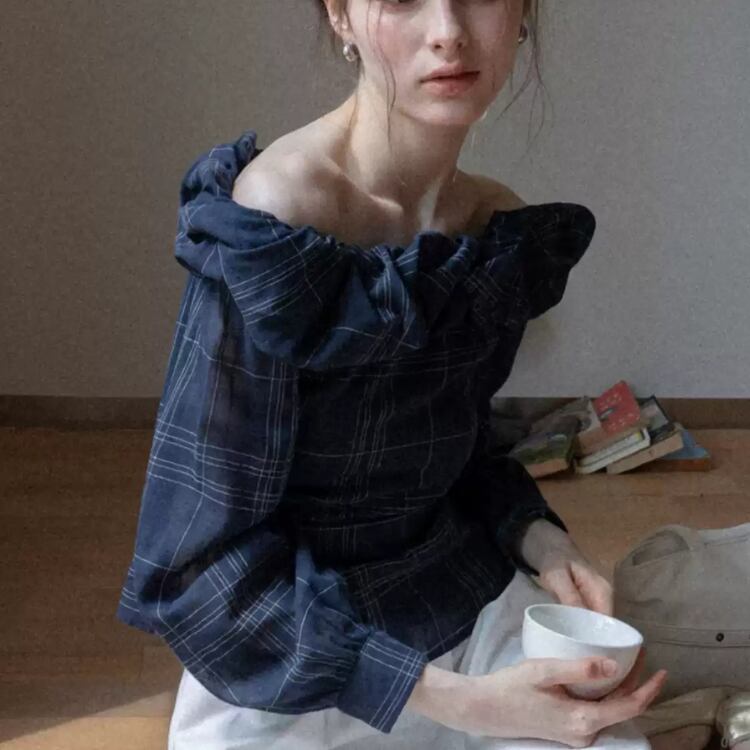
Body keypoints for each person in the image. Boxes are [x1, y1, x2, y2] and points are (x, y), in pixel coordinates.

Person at [115, 0, 685, 747]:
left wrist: (542, 539)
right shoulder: (276, 223)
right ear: (340, 15)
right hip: (295, 659)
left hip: (458, 604)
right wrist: (465, 703)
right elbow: (195, 565)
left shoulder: (492, 229)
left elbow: (454, 448)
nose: (447, 30)